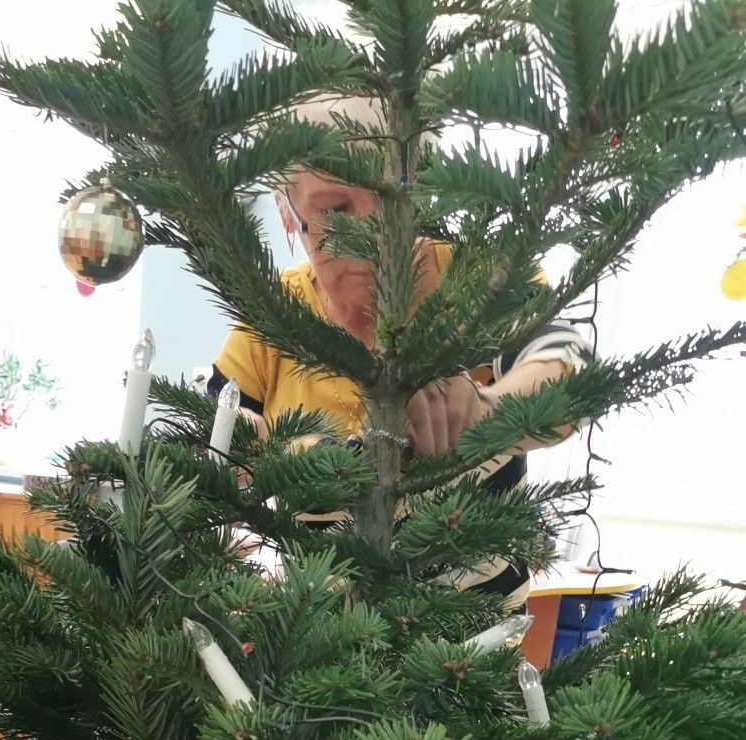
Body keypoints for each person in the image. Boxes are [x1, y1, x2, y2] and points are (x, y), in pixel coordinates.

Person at [210, 97, 592, 606]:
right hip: (318, 635)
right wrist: (237, 445)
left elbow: (568, 372)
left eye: (393, 204)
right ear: (287, 212)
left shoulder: (477, 278)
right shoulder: (271, 318)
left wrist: (485, 411)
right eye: (334, 211)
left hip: (474, 638)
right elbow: (209, 429)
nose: (373, 240)